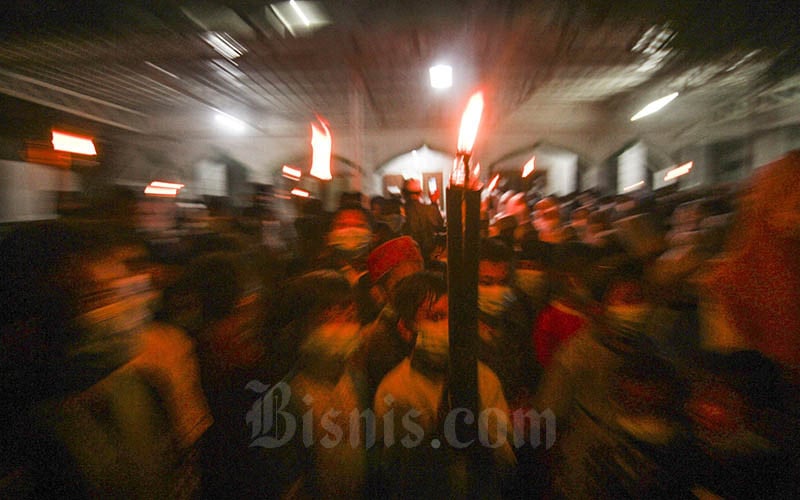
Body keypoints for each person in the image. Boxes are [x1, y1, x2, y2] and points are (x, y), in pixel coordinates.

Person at [373, 271, 516, 498]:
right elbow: (395, 471)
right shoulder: (394, 390)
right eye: (436, 317)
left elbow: (505, 457)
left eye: (453, 316)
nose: (449, 327)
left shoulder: (482, 377)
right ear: (406, 328)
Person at [401, 178, 444, 264]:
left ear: (403, 193)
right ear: (421, 193)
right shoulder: (429, 210)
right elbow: (440, 225)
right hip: (429, 256)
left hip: (408, 258)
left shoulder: (400, 211)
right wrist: (434, 202)